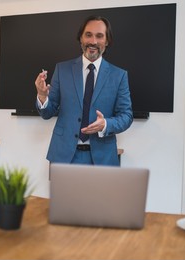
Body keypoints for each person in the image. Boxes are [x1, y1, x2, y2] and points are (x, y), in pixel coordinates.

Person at [35, 15, 133, 166]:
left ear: (106, 41)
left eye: (99, 36)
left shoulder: (119, 76)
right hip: (63, 156)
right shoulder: (62, 70)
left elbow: (126, 116)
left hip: (102, 158)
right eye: (88, 35)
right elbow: (47, 113)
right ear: (81, 38)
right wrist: (42, 97)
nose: (93, 41)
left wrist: (106, 124)